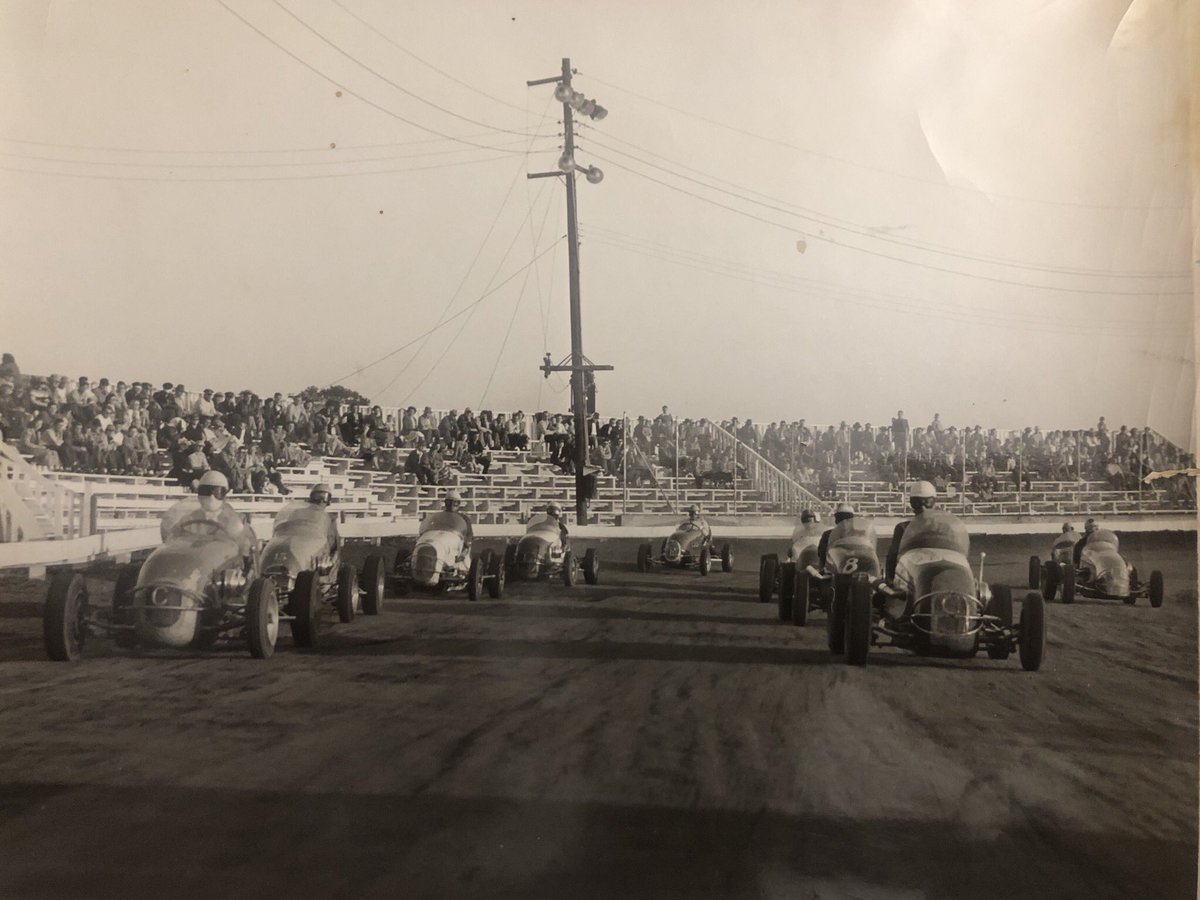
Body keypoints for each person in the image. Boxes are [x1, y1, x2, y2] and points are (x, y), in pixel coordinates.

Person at [161, 470, 257, 564]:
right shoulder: (188, 519)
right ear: (199, 493)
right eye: (206, 491)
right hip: (193, 565)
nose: (211, 497)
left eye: (217, 492)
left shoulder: (234, 521)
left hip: (221, 567)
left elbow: (245, 550)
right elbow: (172, 541)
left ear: (224, 494)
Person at [885, 481, 937, 582]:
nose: (923, 508)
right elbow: (892, 558)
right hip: (914, 581)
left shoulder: (903, 528)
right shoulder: (902, 528)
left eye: (927, 502)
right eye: (917, 503)